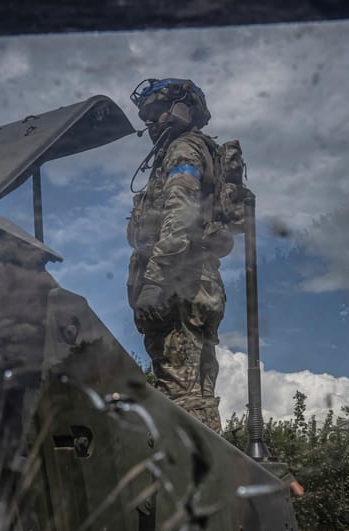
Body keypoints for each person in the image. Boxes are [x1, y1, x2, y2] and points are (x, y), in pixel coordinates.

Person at [126, 78, 229, 433]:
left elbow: (180, 214)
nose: (151, 123)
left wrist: (155, 280)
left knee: (181, 398)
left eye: (157, 113)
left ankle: (200, 484)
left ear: (185, 109)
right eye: (146, 117)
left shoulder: (183, 149)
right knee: (198, 394)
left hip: (177, 285)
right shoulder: (203, 151)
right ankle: (219, 479)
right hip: (200, 284)